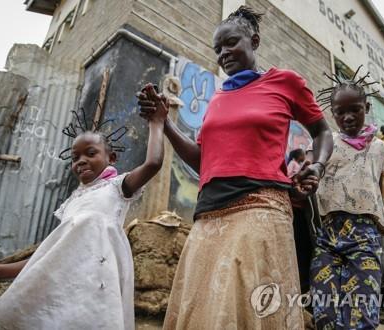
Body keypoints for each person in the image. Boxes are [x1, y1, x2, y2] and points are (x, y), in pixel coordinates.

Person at [138, 6, 333, 329]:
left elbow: (322, 131)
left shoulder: (284, 82)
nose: (223, 53)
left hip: (260, 207)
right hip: (209, 213)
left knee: (247, 304)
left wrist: (319, 165)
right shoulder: (216, 100)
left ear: (254, 41)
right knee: (202, 306)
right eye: (217, 49)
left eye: (231, 43)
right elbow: (203, 161)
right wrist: (164, 123)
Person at [0, 89, 166, 330]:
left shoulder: (117, 187)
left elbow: (153, 163)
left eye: (90, 153)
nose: (81, 160)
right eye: (75, 157)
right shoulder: (70, 205)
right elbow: (45, 258)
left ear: (111, 158)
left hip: (94, 296)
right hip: (56, 295)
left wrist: (157, 122)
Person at [312, 71, 384, 329]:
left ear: (367, 108)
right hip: (328, 236)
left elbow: (378, 189)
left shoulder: (379, 148)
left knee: (363, 312)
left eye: (355, 110)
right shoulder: (327, 144)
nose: (347, 117)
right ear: (332, 113)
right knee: (324, 311)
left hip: (364, 236)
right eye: (340, 112)